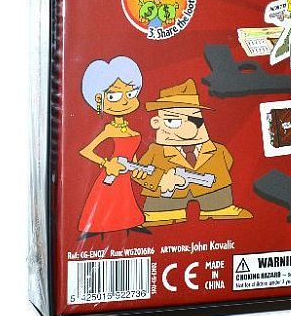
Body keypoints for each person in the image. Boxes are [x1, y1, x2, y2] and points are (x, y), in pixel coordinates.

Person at [132, 79, 252, 226]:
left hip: (213, 199)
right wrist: (161, 179)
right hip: (164, 204)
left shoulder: (218, 150)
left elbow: (228, 162)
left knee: (219, 200)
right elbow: (139, 173)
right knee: (161, 211)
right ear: (157, 122)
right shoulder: (156, 152)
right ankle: (162, 213)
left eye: (194, 120)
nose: (188, 128)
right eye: (173, 121)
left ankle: (220, 208)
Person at [78, 56, 149, 239]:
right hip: (112, 172)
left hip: (126, 173)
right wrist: (106, 163)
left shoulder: (132, 131)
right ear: (99, 98)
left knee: (125, 198)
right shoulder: (109, 130)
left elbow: (133, 155)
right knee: (105, 198)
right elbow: (86, 151)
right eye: (114, 96)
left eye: (130, 94)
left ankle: (128, 224)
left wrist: (137, 169)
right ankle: (98, 227)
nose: (124, 101)